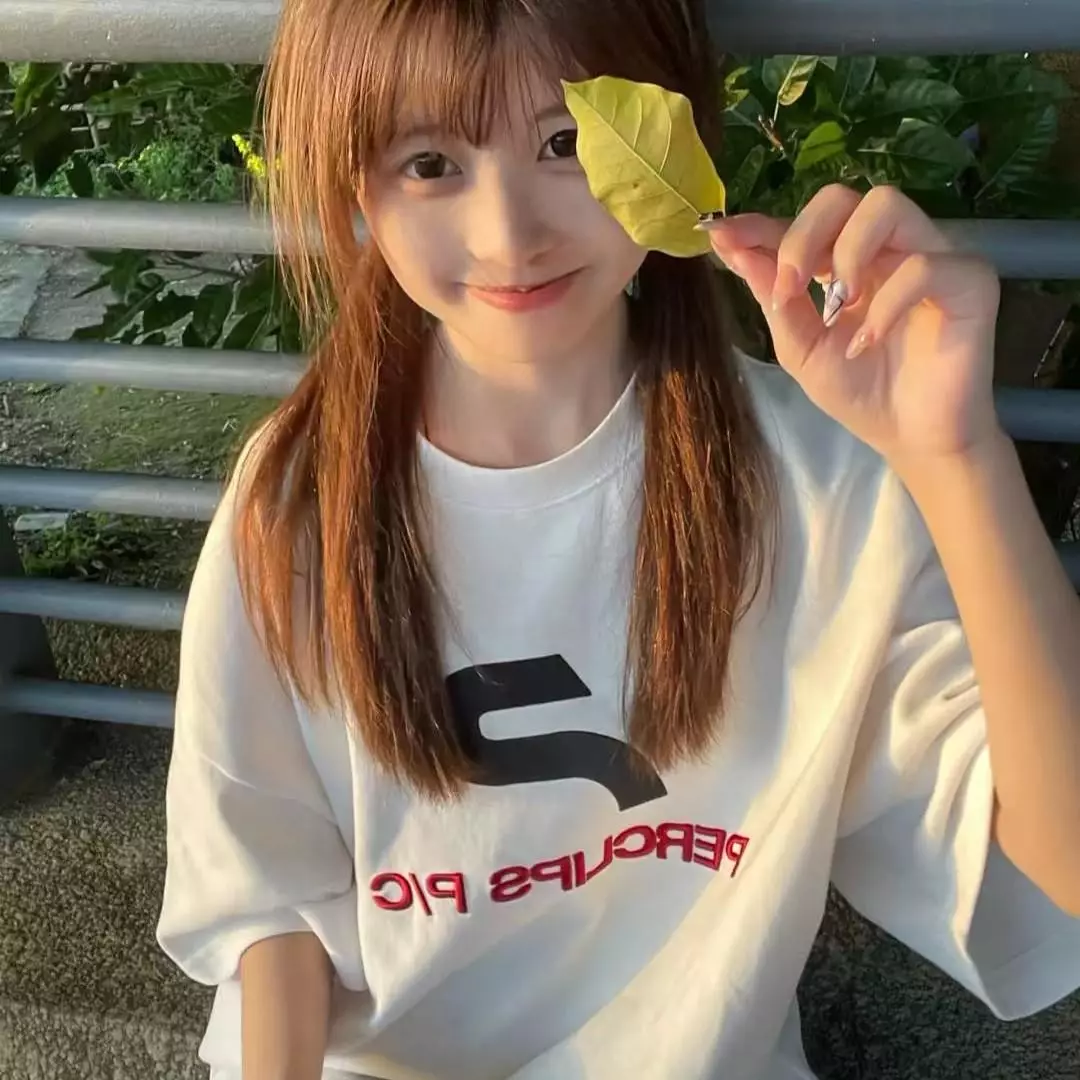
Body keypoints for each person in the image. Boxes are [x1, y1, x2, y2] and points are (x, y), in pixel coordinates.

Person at [154, 1, 1080, 1077]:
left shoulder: (818, 484)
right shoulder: (297, 497)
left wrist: (957, 459)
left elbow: (1058, 870)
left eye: (566, 142)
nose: (509, 235)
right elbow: (270, 902)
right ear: (359, 186)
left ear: (674, 147)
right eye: (430, 163)